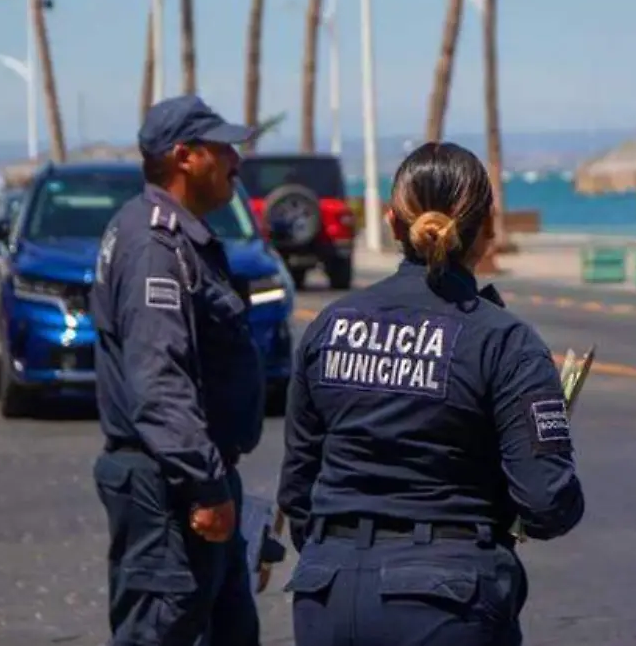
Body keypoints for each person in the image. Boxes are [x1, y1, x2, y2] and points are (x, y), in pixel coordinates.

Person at [277, 142, 586, 646]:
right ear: (487, 226)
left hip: (325, 593)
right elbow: (546, 502)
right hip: (445, 598)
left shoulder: (329, 325)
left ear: (393, 223)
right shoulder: (504, 341)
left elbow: (298, 488)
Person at [90, 95, 265, 646]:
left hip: (194, 477)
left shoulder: (169, 234)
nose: (235, 161)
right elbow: (158, 381)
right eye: (223, 149)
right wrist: (208, 485)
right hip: (172, 492)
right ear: (186, 157)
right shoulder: (154, 247)